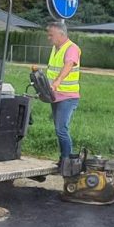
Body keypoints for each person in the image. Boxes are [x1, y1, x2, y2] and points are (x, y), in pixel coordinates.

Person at [45, 20, 80, 165]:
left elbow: (68, 65)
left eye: (51, 35)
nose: (49, 37)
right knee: (59, 128)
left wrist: (58, 81)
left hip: (68, 96)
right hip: (55, 95)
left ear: (61, 34)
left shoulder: (71, 48)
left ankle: (67, 160)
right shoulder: (56, 48)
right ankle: (64, 158)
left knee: (61, 129)